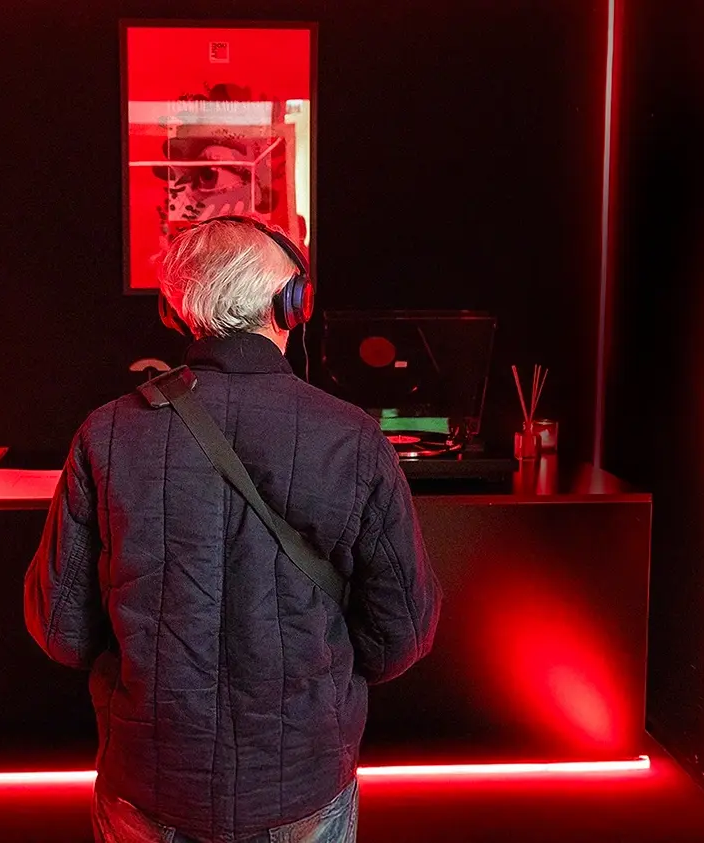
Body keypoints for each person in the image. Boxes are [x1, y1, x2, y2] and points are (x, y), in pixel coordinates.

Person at [24, 218, 441, 843]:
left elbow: (61, 631)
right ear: (291, 304)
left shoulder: (106, 433)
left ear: (176, 312)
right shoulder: (352, 437)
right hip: (301, 784)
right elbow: (400, 636)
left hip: (149, 786)